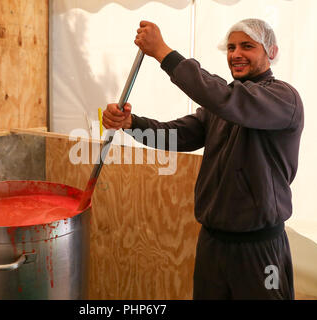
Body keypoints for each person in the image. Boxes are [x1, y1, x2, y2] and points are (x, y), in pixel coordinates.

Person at [102, 19, 304, 300]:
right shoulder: (221, 105)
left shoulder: (282, 98)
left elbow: (224, 98)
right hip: (213, 242)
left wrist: (163, 52)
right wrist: (131, 123)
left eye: (247, 46)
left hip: (259, 247)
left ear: (271, 51)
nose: (235, 54)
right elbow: (175, 136)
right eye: (231, 47)